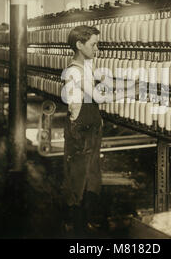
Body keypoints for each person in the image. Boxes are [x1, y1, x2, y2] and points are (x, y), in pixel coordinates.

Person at [61, 25, 104, 236]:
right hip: (81, 128)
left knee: (92, 175)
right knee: (78, 178)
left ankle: (85, 222)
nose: (97, 48)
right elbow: (98, 96)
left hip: (91, 126)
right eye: (93, 44)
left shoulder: (85, 67)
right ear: (79, 45)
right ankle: (76, 227)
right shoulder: (74, 71)